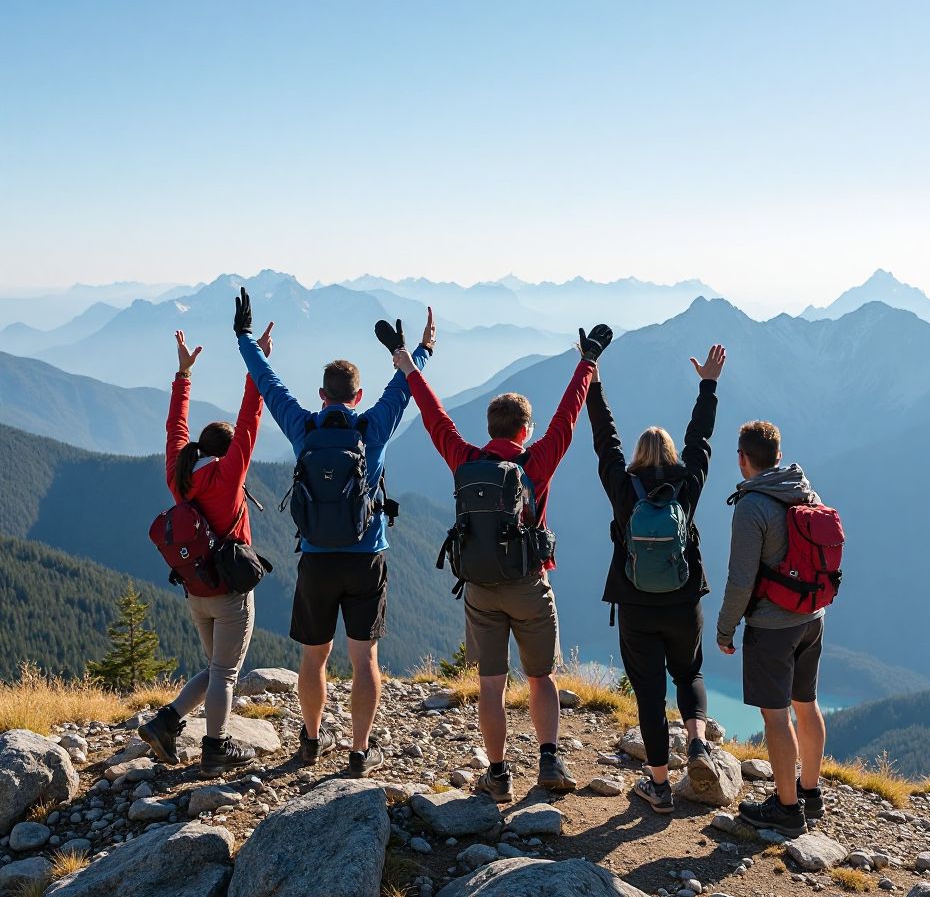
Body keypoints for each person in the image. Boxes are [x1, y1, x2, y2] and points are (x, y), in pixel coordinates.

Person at [392, 325, 612, 802]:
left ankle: (497, 774)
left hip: (479, 588)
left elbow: (435, 418)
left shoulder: (464, 458)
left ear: (490, 428)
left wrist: (407, 363)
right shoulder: (538, 462)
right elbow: (568, 416)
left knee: (491, 685)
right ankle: (548, 761)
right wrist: (588, 361)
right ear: (525, 430)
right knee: (541, 677)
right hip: (530, 584)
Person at [234, 287, 434, 772]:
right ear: (357, 396)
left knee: (314, 658)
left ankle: (310, 740)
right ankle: (359, 752)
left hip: (316, 558)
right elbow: (405, 386)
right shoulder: (373, 427)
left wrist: (245, 338)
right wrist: (420, 349)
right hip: (367, 558)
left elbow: (267, 382)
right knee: (365, 659)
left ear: (322, 396)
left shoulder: (302, 427)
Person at [585, 344, 726, 814]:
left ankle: (660, 786)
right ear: (671, 455)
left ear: (638, 457)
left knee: (649, 693)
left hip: (636, 605)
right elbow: (700, 440)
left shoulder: (622, 487)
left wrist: (594, 383)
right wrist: (708, 385)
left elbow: (605, 439)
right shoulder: (687, 485)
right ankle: (698, 743)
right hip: (684, 601)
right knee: (689, 673)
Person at [138, 323, 272, 777]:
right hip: (230, 592)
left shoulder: (180, 476)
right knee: (226, 673)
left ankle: (166, 722)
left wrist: (183, 376)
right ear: (229, 452)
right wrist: (257, 363)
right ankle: (216, 749)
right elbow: (251, 417)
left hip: (196, 590)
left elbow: (175, 429)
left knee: (217, 667)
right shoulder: (228, 476)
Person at [717, 421, 828, 837]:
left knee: (776, 716)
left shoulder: (752, 506)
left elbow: (741, 579)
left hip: (772, 624)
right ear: (778, 457)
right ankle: (810, 793)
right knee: (807, 704)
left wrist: (725, 628)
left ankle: (787, 808)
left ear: (742, 458)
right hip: (812, 616)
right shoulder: (804, 490)